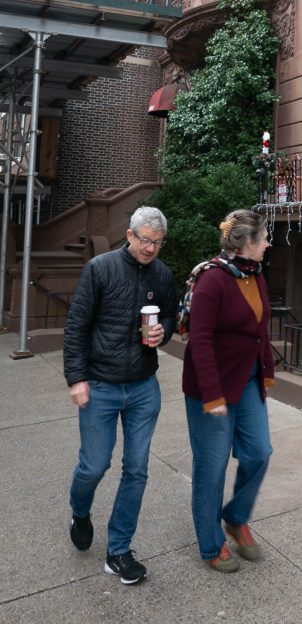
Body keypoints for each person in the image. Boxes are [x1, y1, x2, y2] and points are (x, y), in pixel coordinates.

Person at [63, 206, 176, 585]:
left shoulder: (162, 275)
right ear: (129, 235)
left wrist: (163, 332)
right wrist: (77, 378)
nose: (151, 248)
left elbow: (170, 316)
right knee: (94, 466)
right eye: (145, 240)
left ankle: (119, 550)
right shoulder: (100, 268)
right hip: (100, 385)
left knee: (137, 469)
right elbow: (76, 326)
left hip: (144, 387)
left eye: (158, 242)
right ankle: (80, 511)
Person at [182, 209, 274, 572]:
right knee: (212, 465)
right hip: (212, 386)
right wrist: (212, 395)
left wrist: (266, 372)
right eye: (264, 238)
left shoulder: (255, 274)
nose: (268, 244)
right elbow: (199, 340)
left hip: (248, 380)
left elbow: (260, 330)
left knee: (259, 452)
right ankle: (210, 544)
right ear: (247, 242)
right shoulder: (213, 280)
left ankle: (235, 518)